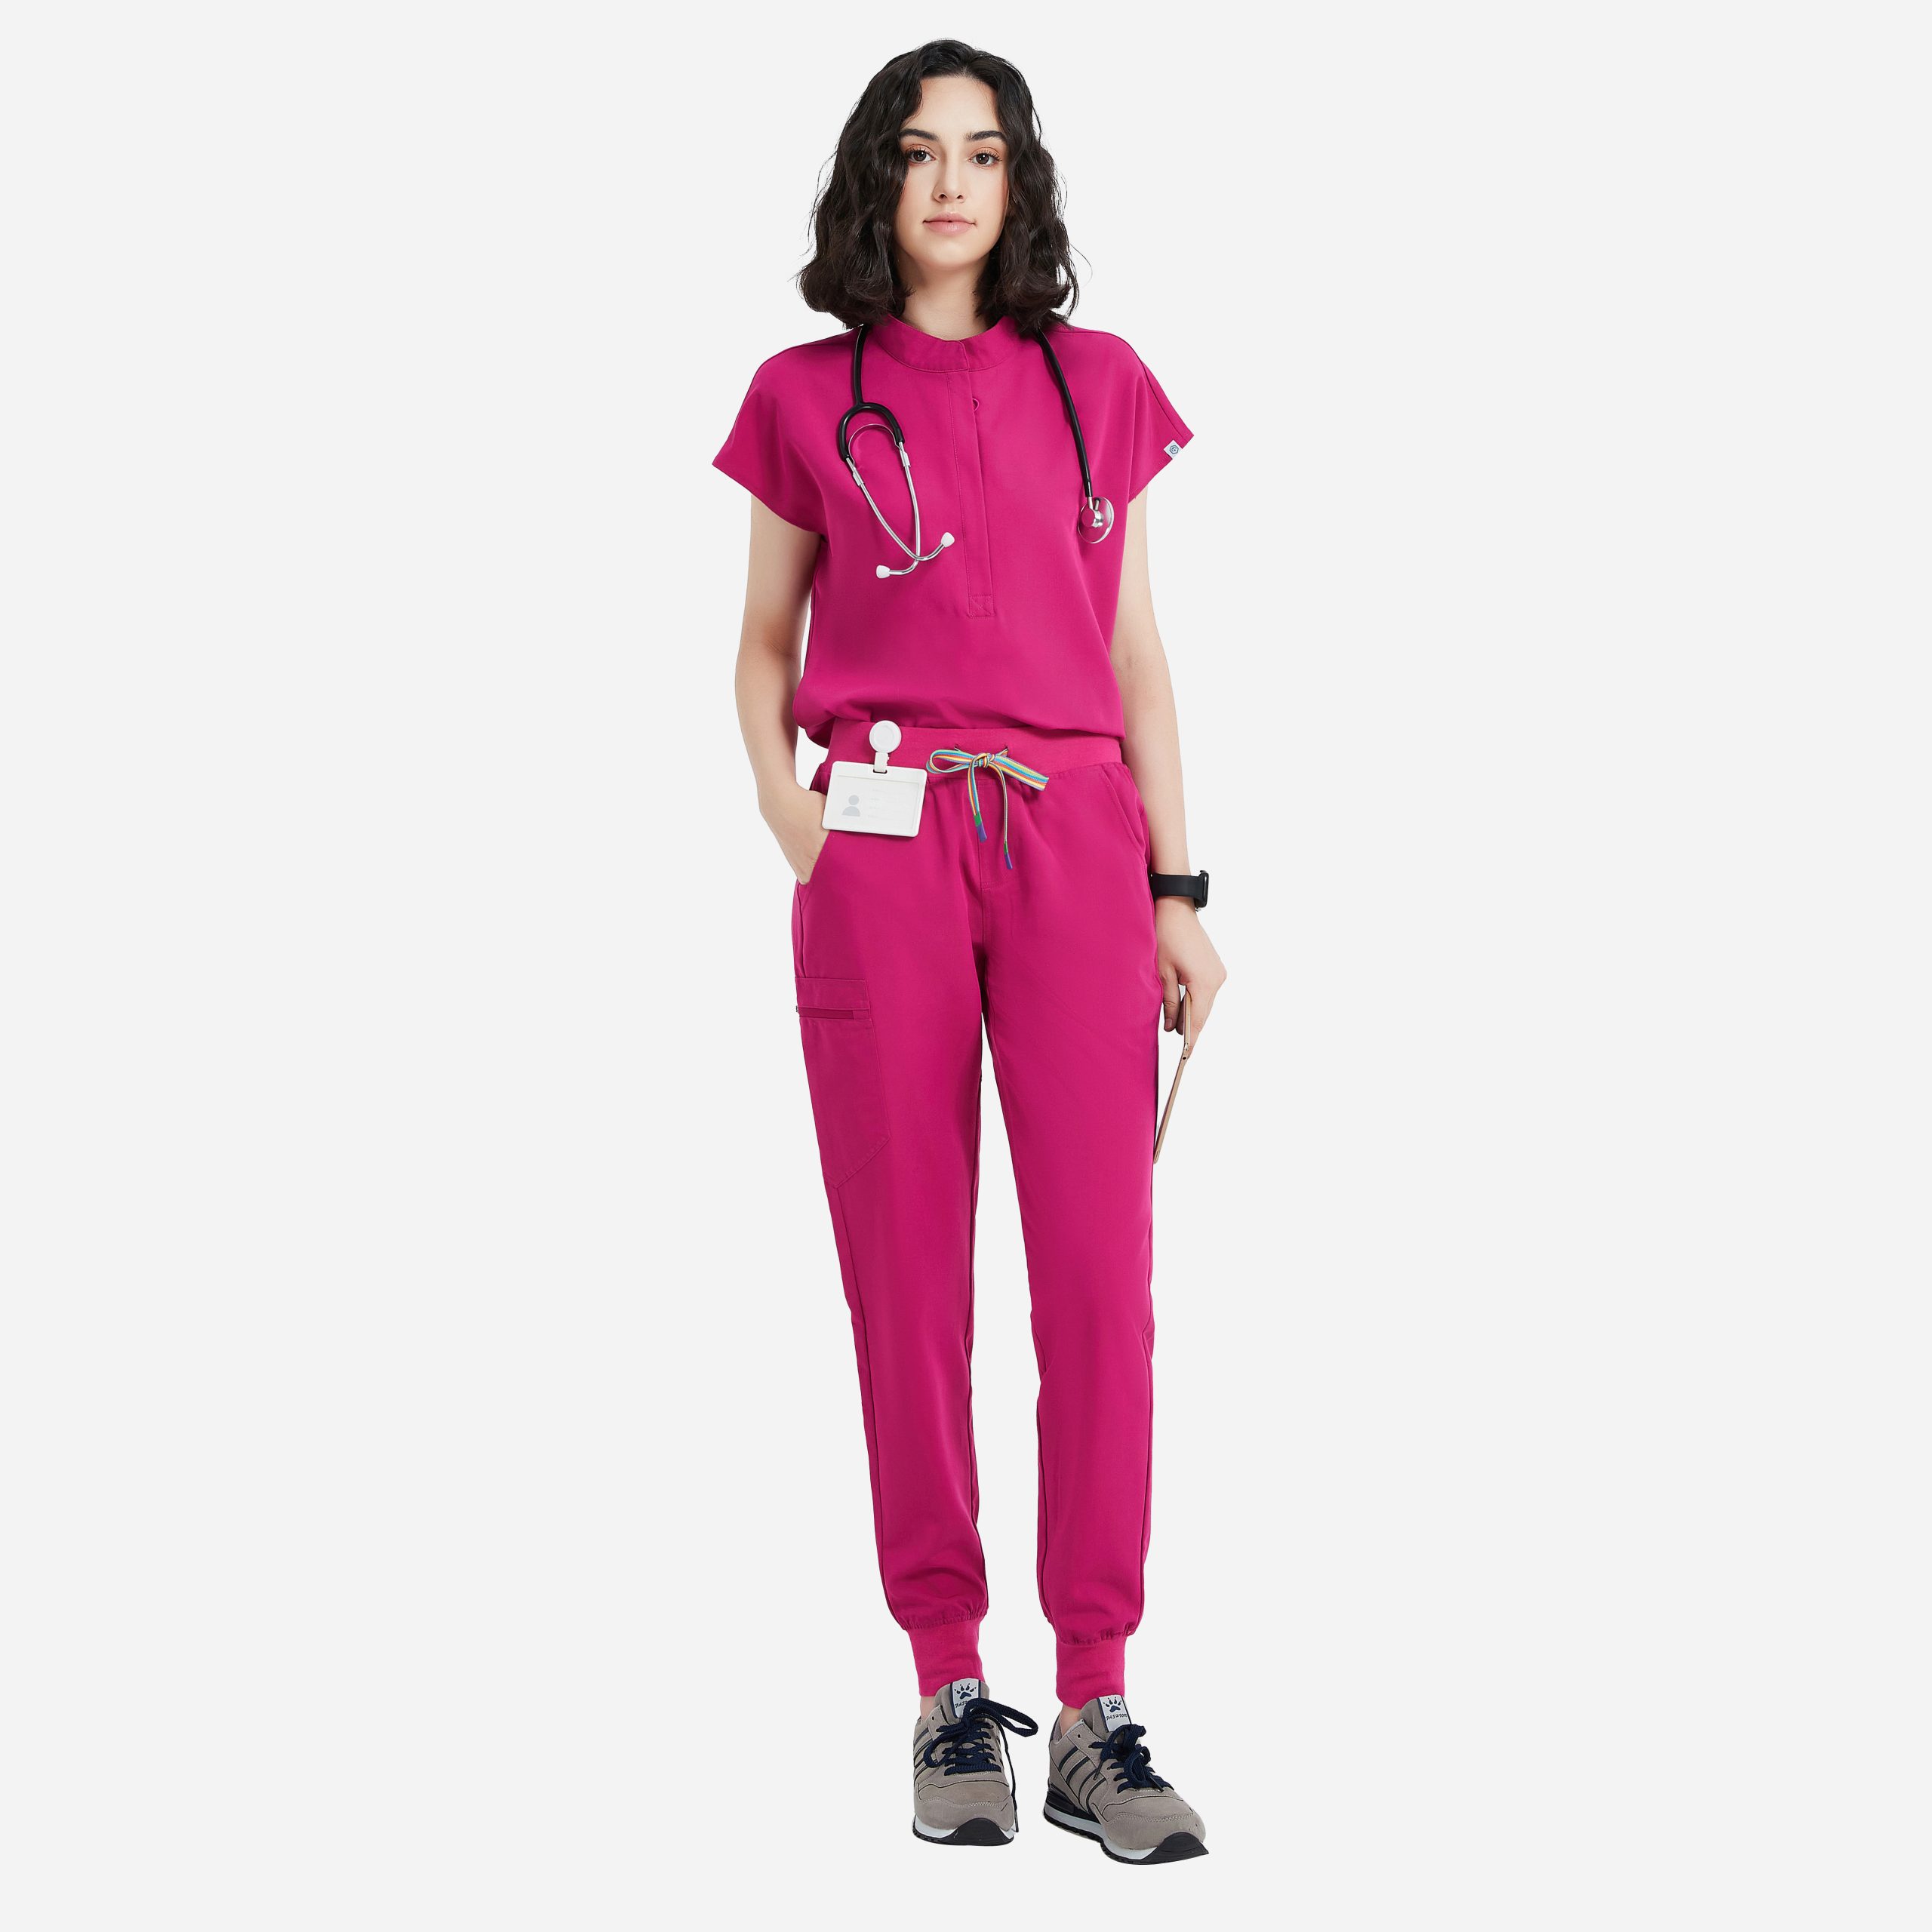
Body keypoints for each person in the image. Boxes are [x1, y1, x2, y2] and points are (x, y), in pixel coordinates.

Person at [714, 40, 1226, 1864]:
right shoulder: (803, 395)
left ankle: (1092, 1700)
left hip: (1076, 843)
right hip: (884, 841)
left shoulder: (1100, 384)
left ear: (1021, 184)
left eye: (984, 152)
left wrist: (1177, 889)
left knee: (1097, 1277)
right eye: (921, 151)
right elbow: (760, 641)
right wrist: (799, 828)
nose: (950, 182)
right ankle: (947, 1676)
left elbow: (1135, 647)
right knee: (906, 1276)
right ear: (878, 176)